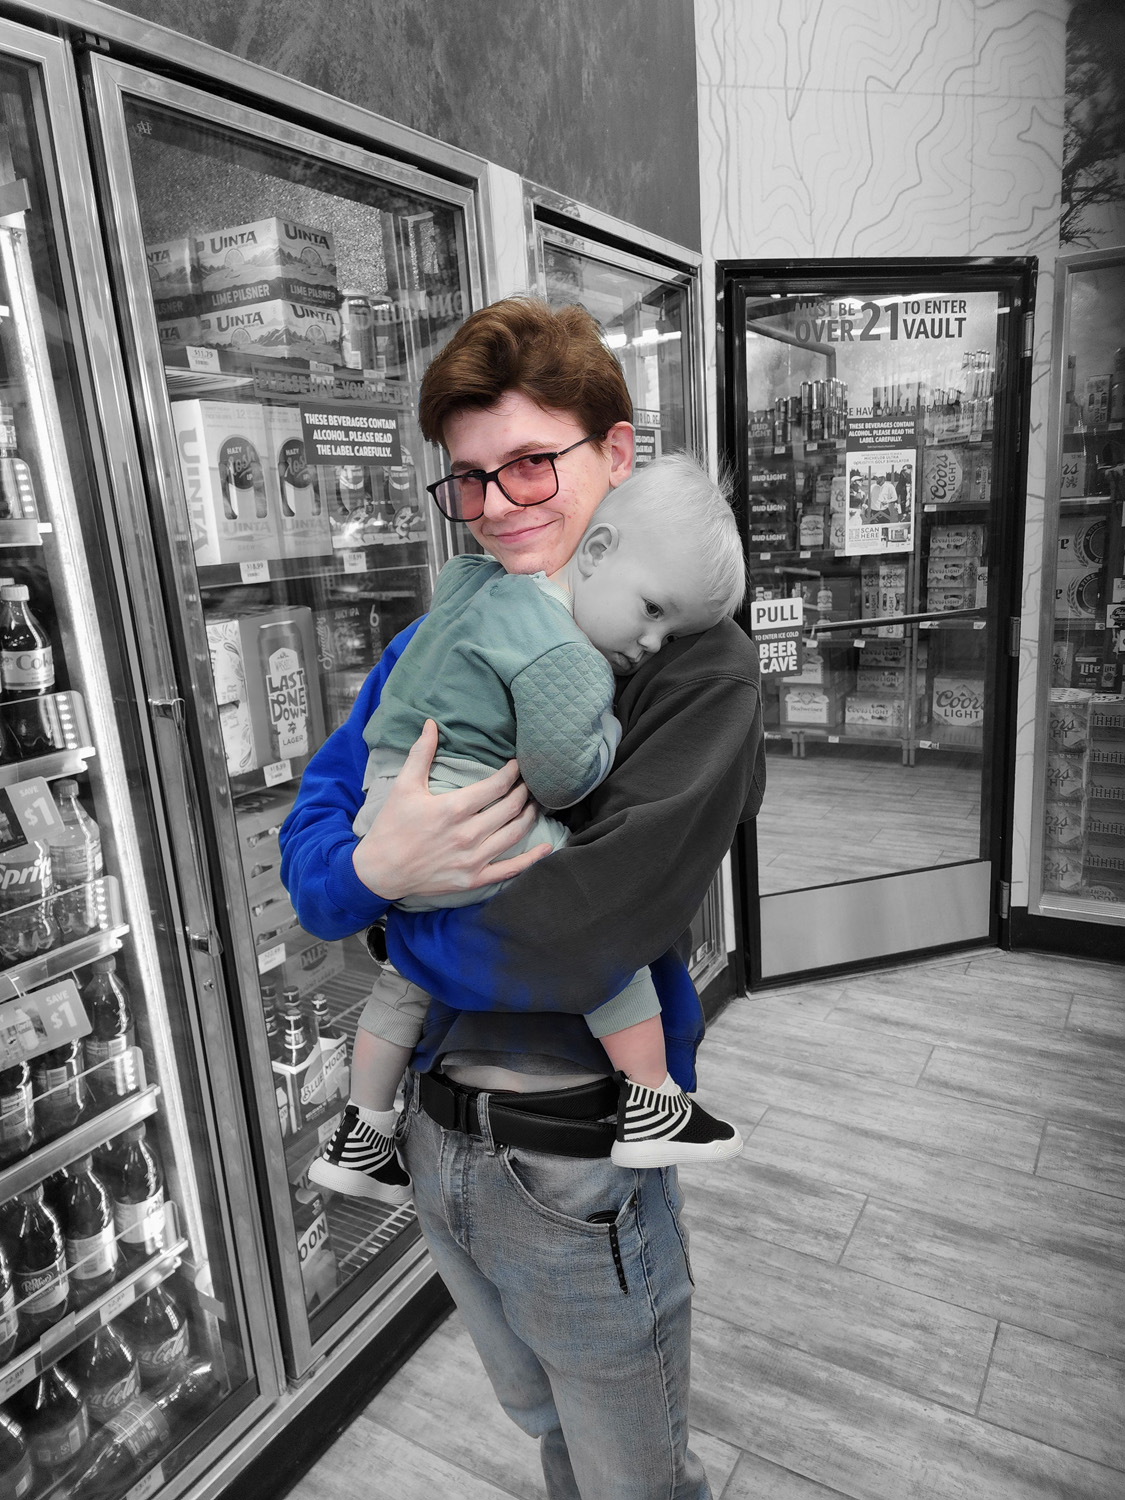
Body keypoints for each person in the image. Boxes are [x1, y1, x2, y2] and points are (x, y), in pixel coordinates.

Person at [280, 297, 765, 1500]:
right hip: (432, 1142)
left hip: (575, 1151)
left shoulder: (693, 661)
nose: (499, 506)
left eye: (532, 463)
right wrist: (372, 876)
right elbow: (311, 849)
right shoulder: (450, 623)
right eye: (469, 478)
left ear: (617, 451)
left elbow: (579, 934)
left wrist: (387, 917)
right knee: (551, 1437)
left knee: (634, 1473)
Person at [308, 452, 746, 1203]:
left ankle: (363, 1130)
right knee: (605, 949)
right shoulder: (567, 652)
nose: (651, 645)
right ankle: (653, 1101)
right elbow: (561, 780)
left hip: (385, 817)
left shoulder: (470, 591)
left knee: (400, 982)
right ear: (598, 553)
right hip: (469, 826)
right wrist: (604, 726)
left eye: (671, 633)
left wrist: (381, 894)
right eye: (652, 611)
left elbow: (328, 816)